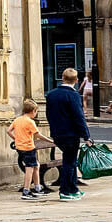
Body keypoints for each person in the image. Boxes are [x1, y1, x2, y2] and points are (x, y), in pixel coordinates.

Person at [45, 68, 91, 201]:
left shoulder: (51, 94)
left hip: (57, 134)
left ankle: (73, 189)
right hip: (71, 134)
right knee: (69, 162)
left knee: (70, 161)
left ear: (62, 78)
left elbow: (49, 114)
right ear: (76, 81)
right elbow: (79, 117)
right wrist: (86, 136)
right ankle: (65, 191)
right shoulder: (73, 95)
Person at [8, 99, 42, 200]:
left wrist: (16, 139)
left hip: (20, 147)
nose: (35, 114)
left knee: (36, 165)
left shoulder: (18, 120)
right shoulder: (30, 122)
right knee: (29, 169)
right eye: (36, 112)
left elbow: (8, 131)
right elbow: (37, 135)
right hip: (28, 148)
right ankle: (26, 191)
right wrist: (50, 141)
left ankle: (37, 187)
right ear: (33, 111)